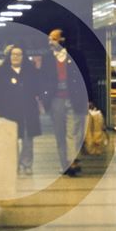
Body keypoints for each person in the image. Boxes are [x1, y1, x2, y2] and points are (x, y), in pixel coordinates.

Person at [40, 28, 89, 176]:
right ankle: (64, 164)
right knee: (60, 134)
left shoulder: (76, 56)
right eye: (49, 39)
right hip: (56, 100)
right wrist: (43, 99)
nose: (50, 42)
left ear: (62, 40)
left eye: (53, 39)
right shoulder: (47, 58)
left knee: (72, 133)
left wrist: (89, 98)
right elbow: (42, 80)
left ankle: (72, 162)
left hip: (74, 98)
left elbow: (85, 76)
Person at [0, 45, 41, 175]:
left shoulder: (30, 71)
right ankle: (14, 164)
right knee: (12, 139)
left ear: (23, 57)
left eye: (19, 54)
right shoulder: (2, 71)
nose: (16, 57)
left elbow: (37, 89)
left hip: (28, 110)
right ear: (9, 56)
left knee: (28, 139)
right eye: (13, 54)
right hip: (9, 110)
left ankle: (27, 164)